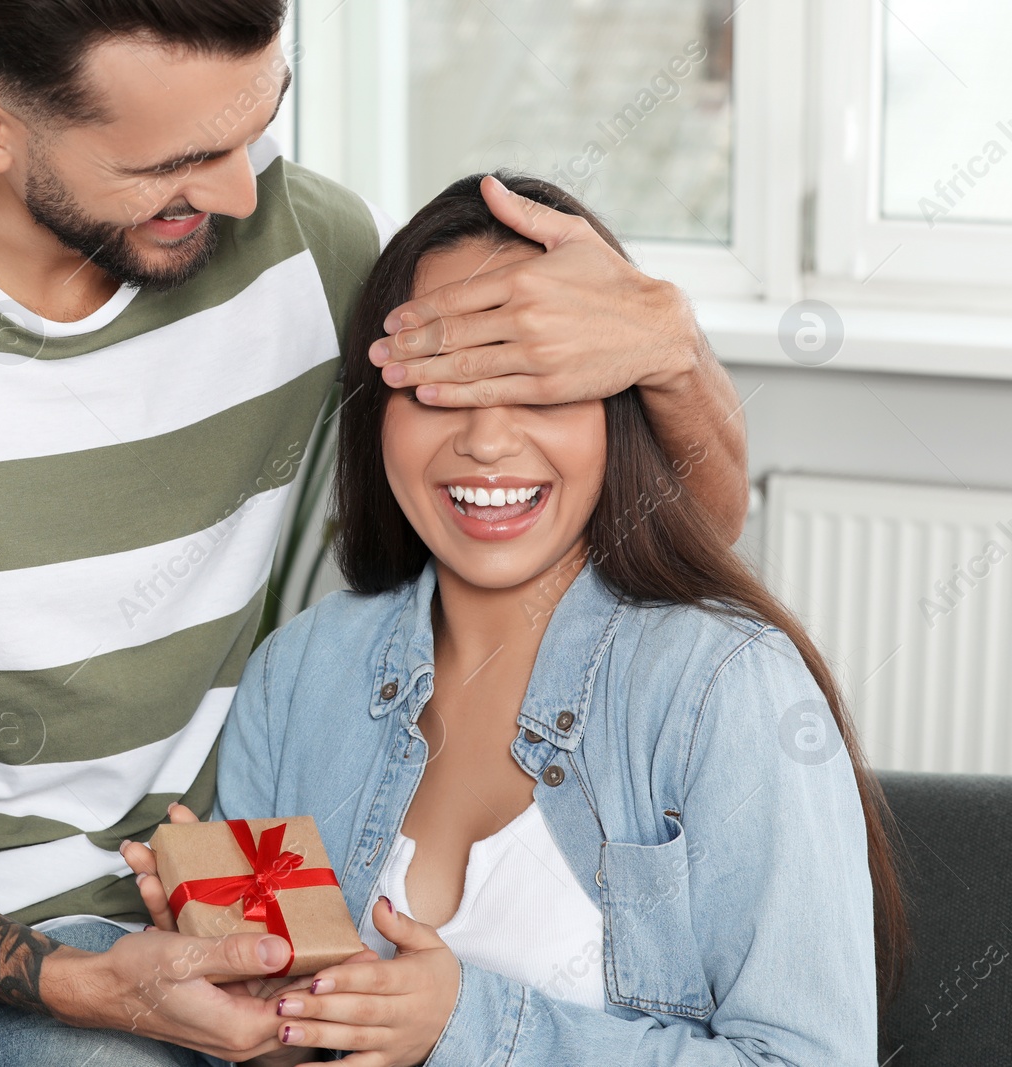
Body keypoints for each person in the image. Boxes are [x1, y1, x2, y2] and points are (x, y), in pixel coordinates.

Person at [0, 1, 751, 1062]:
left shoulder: (304, 248)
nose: (237, 190)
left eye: (258, 119)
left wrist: (662, 347)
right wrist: (71, 984)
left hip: (122, 936)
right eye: (177, 161)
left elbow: (668, 543)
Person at [125, 174, 906, 1065]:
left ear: (618, 415)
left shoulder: (727, 687)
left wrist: (469, 1028)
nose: (488, 441)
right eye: (439, 389)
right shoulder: (301, 673)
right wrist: (256, 1006)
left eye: (537, 387)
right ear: (377, 417)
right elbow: (284, 1049)